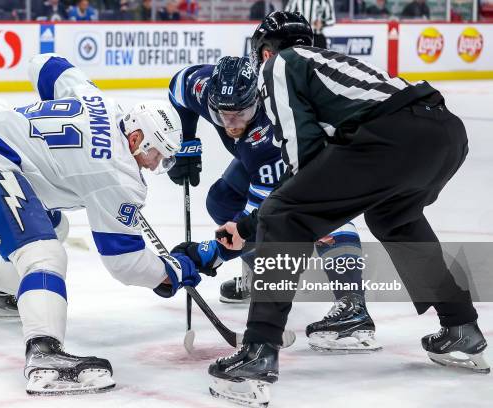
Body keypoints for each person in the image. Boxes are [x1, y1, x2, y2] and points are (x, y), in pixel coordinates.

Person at [209, 11, 490, 407]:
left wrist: (267, 219)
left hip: (395, 138)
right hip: (443, 133)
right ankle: (462, 327)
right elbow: (333, 175)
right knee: (394, 218)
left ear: (266, 51)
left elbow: (302, 161)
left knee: (283, 214)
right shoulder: (329, 66)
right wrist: (251, 224)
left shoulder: (283, 64)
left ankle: (258, 351)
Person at [0, 52, 220, 394]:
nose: (154, 165)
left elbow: (44, 64)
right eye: (156, 154)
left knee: (54, 229)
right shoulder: (117, 177)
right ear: (136, 139)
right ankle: (43, 354)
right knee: (44, 256)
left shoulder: (100, 99)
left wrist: (51, 133)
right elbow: (124, 262)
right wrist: (172, 272)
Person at [169, 56, 380, 353]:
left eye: (240, 113)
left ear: (257, 100)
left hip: (327, 156)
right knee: (222, 199)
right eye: (223, 114)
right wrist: (187, 143)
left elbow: (260, 220)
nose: (231, 123)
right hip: (266, 156)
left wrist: (209, 254)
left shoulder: (268, 134)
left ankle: (353, 308)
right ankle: (261, 277)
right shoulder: (205, 90)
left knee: (321, 215)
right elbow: (178, 85)